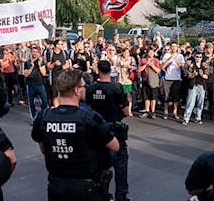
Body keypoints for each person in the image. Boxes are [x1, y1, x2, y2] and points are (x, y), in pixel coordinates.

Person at [32, 70, 119, 201]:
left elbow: (44, 148)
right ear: (77, 91)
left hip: (56, 184)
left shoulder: (43, 116)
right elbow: (115, 146)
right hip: (85, 186)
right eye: (84, 86)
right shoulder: (89, 117)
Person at [86, 61, 132, 201]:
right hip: (114, 130)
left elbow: (89, 110)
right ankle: (121, 196)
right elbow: (126, 112)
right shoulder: (116, 88)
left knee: (100, 166)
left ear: (98, 71)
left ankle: (101, 195)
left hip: (97, 130)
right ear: (110, 71)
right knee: (121, 162)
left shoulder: (91, 88)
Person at [161, 41, 185, 120]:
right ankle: (166, 112)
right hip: (168, 78)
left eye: (175, 46)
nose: (173, 48)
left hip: (177, 79)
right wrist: (169, 60)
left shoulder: (180, 56)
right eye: (172, 46)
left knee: (176, 97)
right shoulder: (166, 55)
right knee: (166, 96)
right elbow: (162, 67)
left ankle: (175, 112)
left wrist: (180, 65)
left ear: (177, 47)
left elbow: (182, 68)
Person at [24, 44, 48, 122]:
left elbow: (44, 73)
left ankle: (43, 116)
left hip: (39, 83)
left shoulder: (41, 62)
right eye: (33, 52)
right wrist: (31, 66)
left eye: (36, 52)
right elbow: (26, 74)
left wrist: (40, 65)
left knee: (44, 101)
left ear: (39, 53)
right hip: (30, 84)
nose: (34, 53)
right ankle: (34, 118)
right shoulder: (27, 62)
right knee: (31, 103)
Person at [47, 39, 71, 107]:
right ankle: (56, 108)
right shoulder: (50, 53)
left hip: (63, 76)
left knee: (64, 93)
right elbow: (48, 66)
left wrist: (63, 67)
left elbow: (68, 64)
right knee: (55, 95)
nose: (62, 45)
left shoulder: (64, 53)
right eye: (61, 44)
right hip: (54, 77)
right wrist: (54, 63)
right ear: (56, 45)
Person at [138, 48, 161, 119]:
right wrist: (146, 65)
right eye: (150, 52)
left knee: (153, 97)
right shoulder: (143, 60)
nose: (151, 54)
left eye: (152, 52)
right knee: (146, 97)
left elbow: (158, 71)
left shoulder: (156, 61)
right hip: (145, 80)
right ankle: (147, 111)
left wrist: (152, 65)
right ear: (147, 53)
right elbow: (138, 70)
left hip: (154, 81)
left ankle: (153, 112)